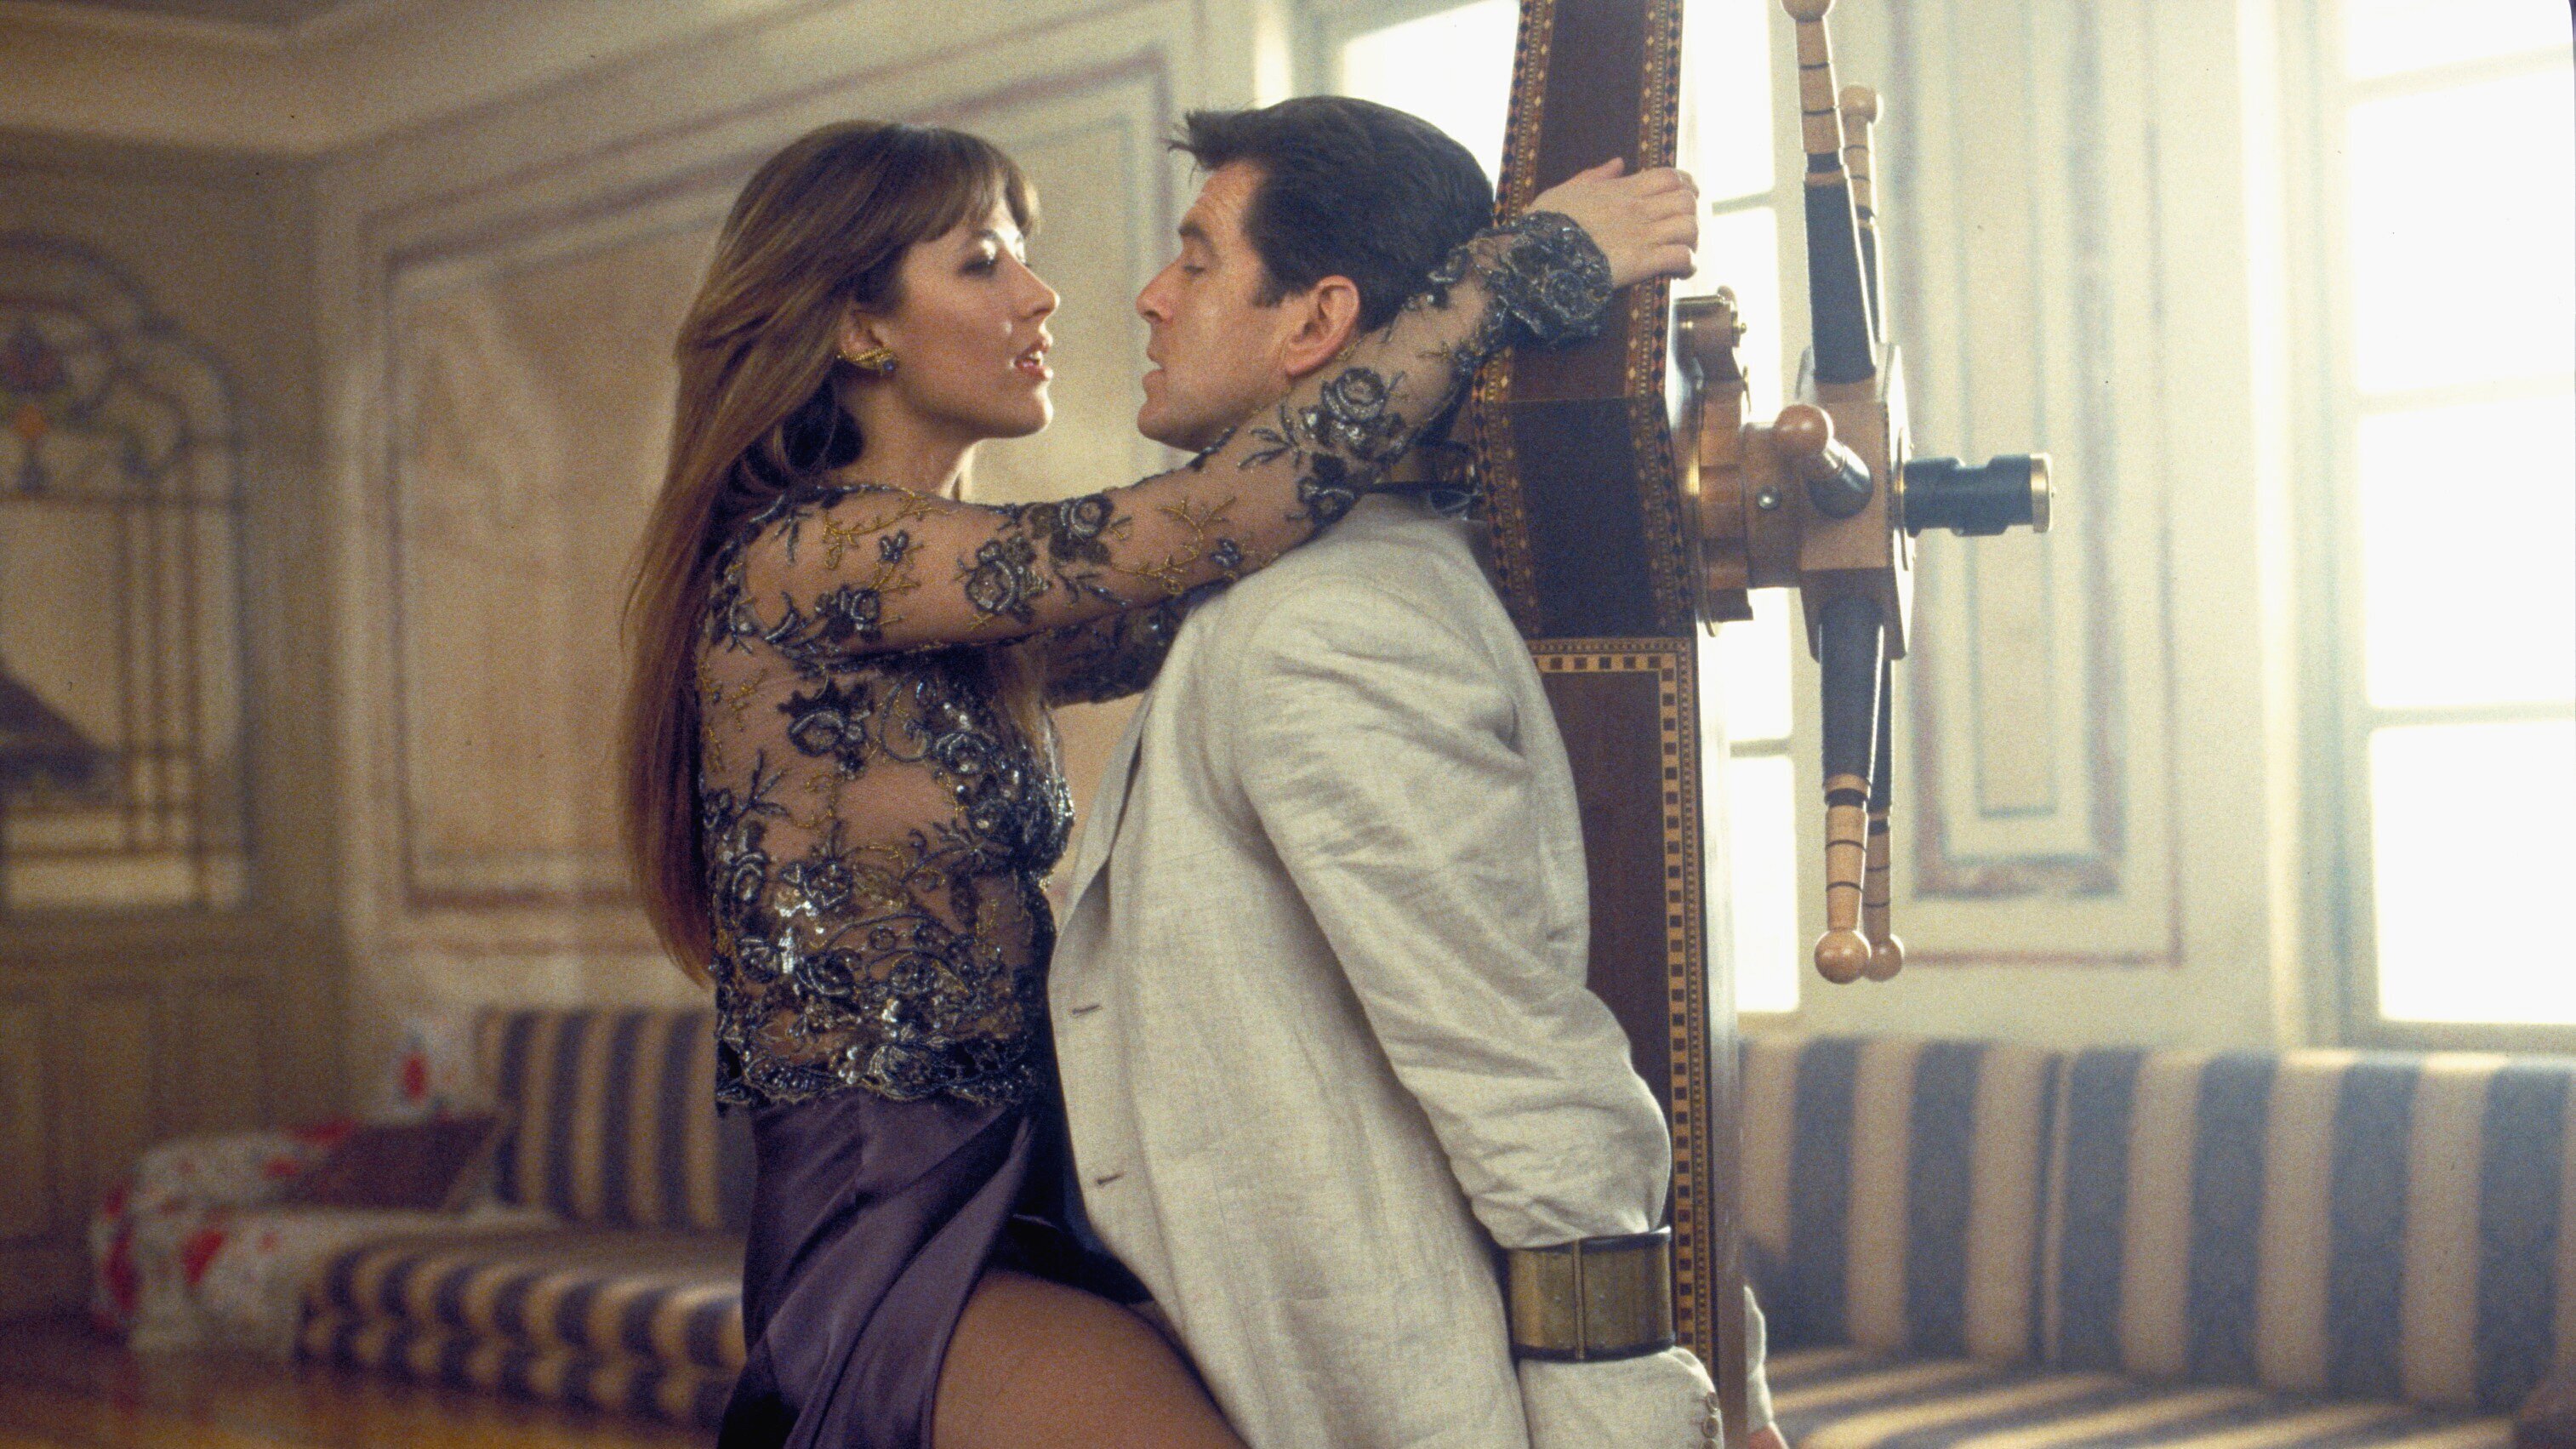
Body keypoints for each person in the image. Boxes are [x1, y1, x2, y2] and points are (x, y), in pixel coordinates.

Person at [614, 118, 1696, 1449]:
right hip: (890, 1217)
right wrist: (1515, 274)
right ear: (859, 325)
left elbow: (1238, 550)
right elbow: (1216, 518)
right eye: (983, 262)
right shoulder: (810, 557)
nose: (1044, 295)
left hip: (1043, 1188)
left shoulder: (952, 600)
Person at [1045, 96, 1764, 1447]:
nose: (1151, 296)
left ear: (1316, 324)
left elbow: (1523, 1068)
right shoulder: (1293, 594)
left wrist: (1650, 1414)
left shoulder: (1326, 627)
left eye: (1196, 259)